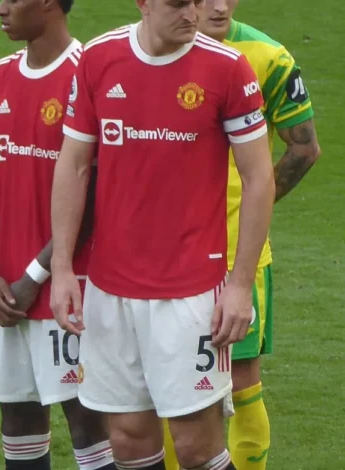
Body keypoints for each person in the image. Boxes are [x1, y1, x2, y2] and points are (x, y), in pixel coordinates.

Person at [49, 0, 276, 468]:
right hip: (110, 289)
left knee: (195, 445)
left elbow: (259, 179)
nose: (192, 14)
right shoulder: (99, 58)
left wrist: (239, 285)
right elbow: (73, 165)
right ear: (144, 3)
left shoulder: (227, 68)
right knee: (129, 439)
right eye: (178, 3)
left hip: (192, 291)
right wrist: (62, 267)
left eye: (196, 3)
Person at [159, 2, 321, 470]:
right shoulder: (152, 49)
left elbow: (305, 147)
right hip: (162, 257)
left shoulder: (267, 56)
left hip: (236, 258)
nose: (219, 6)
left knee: (243, 382)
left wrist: (250, 213)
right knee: (169, 387)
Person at [0, 0, 114, 469]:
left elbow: (92, 192)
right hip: (8, 289)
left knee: (86, 419)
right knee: (18, 418)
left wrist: (39, 272)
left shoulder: (87, 73)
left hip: (71, 285)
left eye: (12, 0)